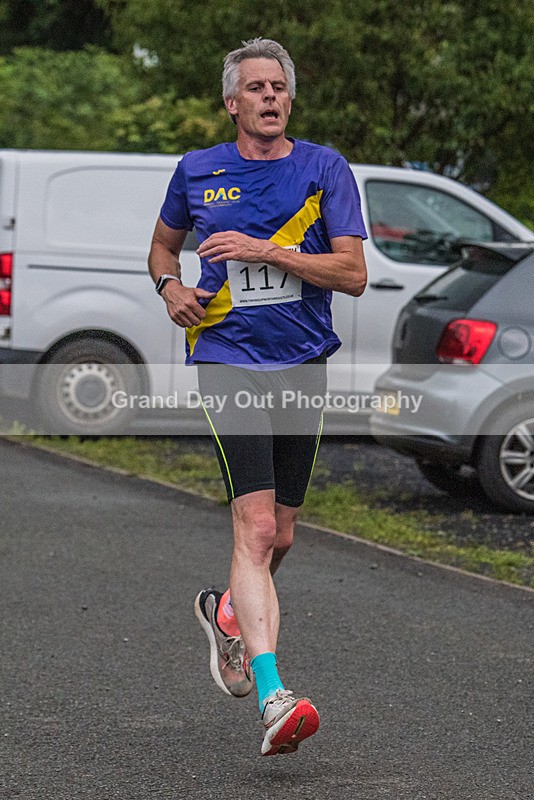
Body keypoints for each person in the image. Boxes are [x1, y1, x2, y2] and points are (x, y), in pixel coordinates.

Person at [148, 37, 367, 756]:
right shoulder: (197, 170)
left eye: (280, 87)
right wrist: (171, 288)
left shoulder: (324, 169)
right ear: (232, 102)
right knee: (259, 528)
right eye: (257, 87)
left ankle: (226, 612)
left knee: (286, 534)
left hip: (302, 364)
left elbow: (353, 274)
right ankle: (273, 695)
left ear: (289, 100)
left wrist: (265, 249)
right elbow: (160, 248)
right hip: (226, 360)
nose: (270, 97)